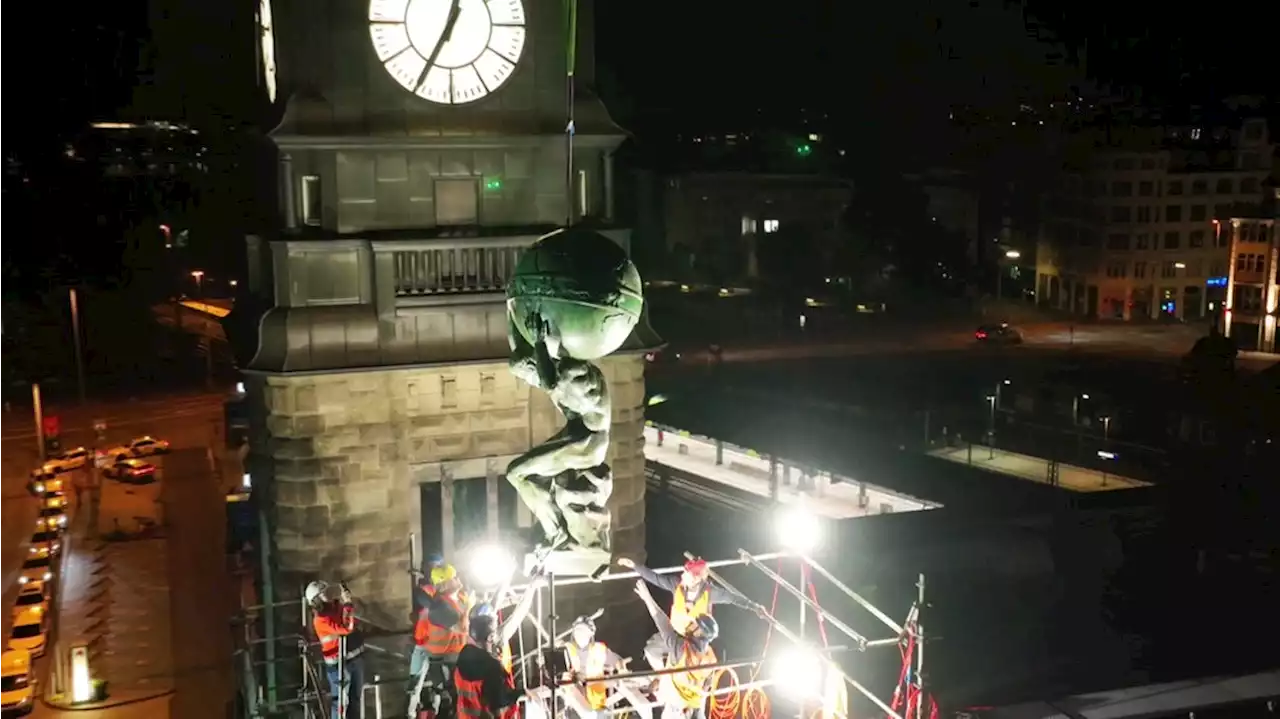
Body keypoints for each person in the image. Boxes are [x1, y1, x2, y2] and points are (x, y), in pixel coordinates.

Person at [453, 576, 545, 719]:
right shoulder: (491, 666)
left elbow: (492, 606)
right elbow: (499, 702)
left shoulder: (464, 654)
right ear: (490, 637)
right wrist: (520, 693)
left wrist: (507, 576)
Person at [634, 581, 718, 719]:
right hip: (694, 704)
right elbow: (706, 685)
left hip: (677, 706)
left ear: (698, 632)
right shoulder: (710, 656)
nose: (690, 624)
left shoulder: (681, 649)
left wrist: (647, 597)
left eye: (693, 624)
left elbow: (662, 622)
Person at [619, 557, 765, 635]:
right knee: (651, 650)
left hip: (695, 638)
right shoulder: (677, 585)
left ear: (696, 578)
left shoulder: (710, 592)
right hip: (676, 630)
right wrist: (635, 566)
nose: (682, 575)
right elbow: (655, 578)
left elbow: (732, 598)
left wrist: (755, 607)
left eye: (686, 573)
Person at [307, 580, 365, 719]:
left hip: (355, 658)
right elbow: (346, 627)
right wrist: (348, 604)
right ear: (316, 600)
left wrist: (347, 605)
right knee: (340, 704)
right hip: (339, 664)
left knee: (355, 700)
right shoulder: (320, 619)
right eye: (323, 594)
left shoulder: (335, 606)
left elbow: (352, 621)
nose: (327, 595)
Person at [562, 614, 624, 715]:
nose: (580, 634)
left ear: (591, 633)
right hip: (574, 706)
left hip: (596, 706)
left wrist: (622, 671)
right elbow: (557, 673)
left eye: (583, 630)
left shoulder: (599, 649)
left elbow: (618, 661)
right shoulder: (567, 649)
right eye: (577, 630)